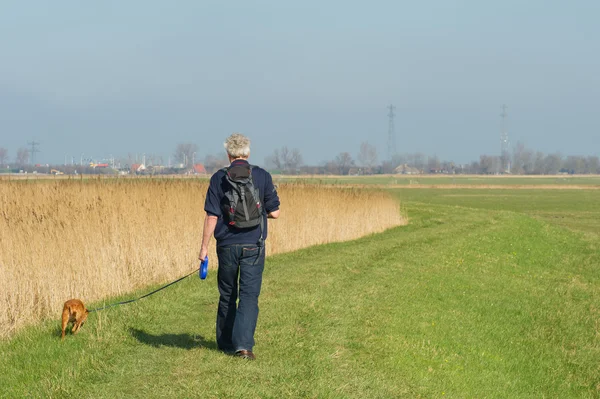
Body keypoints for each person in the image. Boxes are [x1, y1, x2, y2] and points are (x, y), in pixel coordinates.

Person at [198, 133, 280, 360]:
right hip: (254, 245)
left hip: (226, 245)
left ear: (228, 154)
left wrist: (203, 248)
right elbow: (275, 212)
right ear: (248, 153)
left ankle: (225, 344)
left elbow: (211, 217)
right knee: (249, 295)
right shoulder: (262, 176)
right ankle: (243, 347)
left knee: (227, 294)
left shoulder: (218, 178)